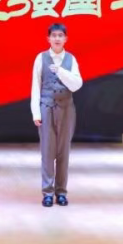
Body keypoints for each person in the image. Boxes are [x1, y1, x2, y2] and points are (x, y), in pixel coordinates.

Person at [31, 23, 83, 207]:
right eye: (54, 35)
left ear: (66, 38)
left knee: (63, 151)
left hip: (66, 109)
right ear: (48, 38)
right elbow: (35, 86)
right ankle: (47, 192)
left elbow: (76, 84)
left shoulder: (71, 59)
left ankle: (61, 192)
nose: (57, 38)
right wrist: (36, 112)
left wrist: (60, 71)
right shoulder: (41, 58)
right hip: (46, 107)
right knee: (47, 151)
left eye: (60, 35)